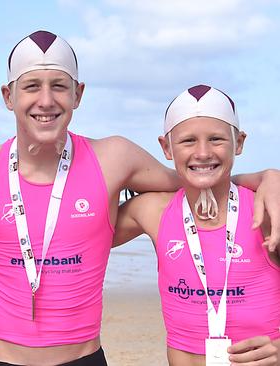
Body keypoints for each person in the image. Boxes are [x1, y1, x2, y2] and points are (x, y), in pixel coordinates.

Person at [0, 30, 280, 366]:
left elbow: (191, 179)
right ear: (8, 95)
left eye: (59, 86)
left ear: (78, 94)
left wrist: (266, 179)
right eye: (32, 86)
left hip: (84, 358)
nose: (46, 100)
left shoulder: (115, 158)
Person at [113, 84, 280, 365]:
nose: (202, 153)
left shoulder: (267, 211)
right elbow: (76, 234)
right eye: (188, 141)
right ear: (166, 147)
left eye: (216, 139)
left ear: (239, 142)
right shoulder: (154, 211)